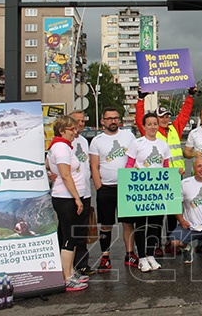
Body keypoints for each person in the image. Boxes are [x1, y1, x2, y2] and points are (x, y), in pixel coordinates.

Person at [136, 86, 195, 256]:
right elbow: (140, 119)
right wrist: (141, 100)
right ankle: (155, 245)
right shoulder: (151, 131)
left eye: (167, 116)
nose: (165, 119)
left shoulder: (175, 128)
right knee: (157, 214)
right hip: (157, 180)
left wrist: (190, 96)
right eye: (161, 117)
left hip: (175, 179)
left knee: (173, 214)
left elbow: (184, 113)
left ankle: (171, 241)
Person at [89, 108, 137, 272]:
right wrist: (99, 188)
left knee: (128, 223)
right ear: (103, 121)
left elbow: (135, 158)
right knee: (106, 225)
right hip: (106, 188)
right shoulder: (97, 141)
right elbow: (94, 166)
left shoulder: (128, 137)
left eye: (115, 118)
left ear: (119, 120)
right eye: (109, 118)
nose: (113, 121)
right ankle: (105, 256)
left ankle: (130, 254)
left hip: (126, 187)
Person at [125, 112, 173, 273]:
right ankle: (142, 257)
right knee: (140, 225)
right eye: (149, 124)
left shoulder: (163, 145)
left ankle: (151, 254)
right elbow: (129, 165)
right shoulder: (137, 143)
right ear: (144, 126)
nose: (152, 127)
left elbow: (165, 167)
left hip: (157, 192)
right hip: (141, 191)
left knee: (155, 224)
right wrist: (134, 171)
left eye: (155, 123)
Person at [47, 115, 90, 291]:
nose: (75, 132)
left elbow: (48, 164)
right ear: (62, 130)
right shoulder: (61, 148)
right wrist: (77, 198)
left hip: (67, 196)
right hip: (66, 198)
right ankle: (67, 277)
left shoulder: (60, 146)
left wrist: (51, 171)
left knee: (71, 235)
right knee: (69, 237)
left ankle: (70, 271)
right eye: (72, 129)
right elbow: (66, 175)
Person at [69, 110, 93, 276]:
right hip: (69, 194)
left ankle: (82, 263)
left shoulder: (84, 141)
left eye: (83, 121)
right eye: (77, 121)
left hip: (85, 192)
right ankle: (66, 266)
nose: (80, 124)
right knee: (67, 231)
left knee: (82, 231)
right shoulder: (62, 142)